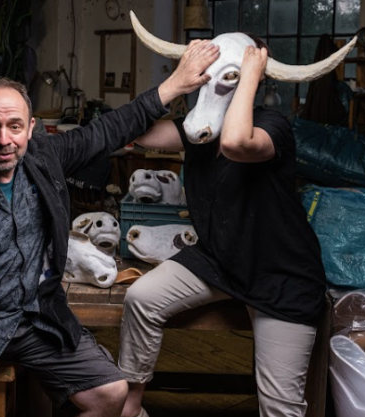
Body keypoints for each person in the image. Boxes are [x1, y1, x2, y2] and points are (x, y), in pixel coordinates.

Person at [0, 40, 220, 417]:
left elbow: (107, 131)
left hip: (34, 321)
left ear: (31, 129)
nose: (4, 140)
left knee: (111, 394)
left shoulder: (44, 158)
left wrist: (172, 86)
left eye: (14, 126)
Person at [118, 46, 327, 417]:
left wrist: (250, 75)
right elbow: (138, 132)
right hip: (218, 259)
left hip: (280, 275)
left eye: (228, 75)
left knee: (280, 409)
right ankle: (130, 407)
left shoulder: (273, 125)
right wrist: (175, 83)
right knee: (141, 298)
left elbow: (236, 143)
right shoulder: (199, 130)